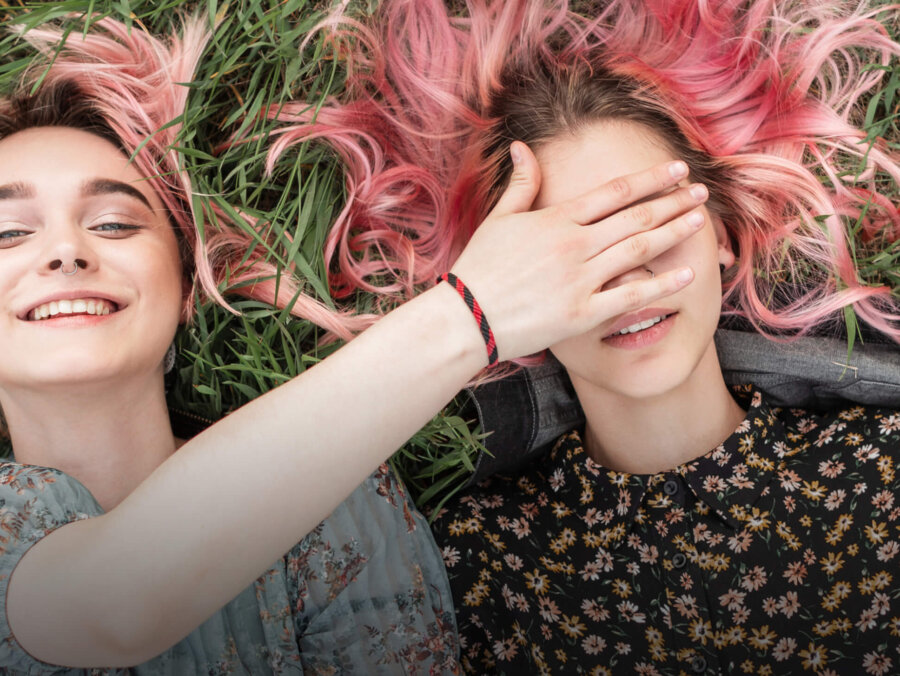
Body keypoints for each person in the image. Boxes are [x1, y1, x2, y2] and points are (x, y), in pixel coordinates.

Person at [0, 10, 703, 675]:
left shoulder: (346, 504)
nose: (64, 250)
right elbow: (106, 608)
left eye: (116, 224)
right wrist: (472, 312)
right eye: (7, 232)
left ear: (188, 288)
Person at [266, 0, 900, 672]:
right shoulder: (480, 564)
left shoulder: (884, 471)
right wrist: (468, 312)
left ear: (722, 234)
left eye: (647, 224)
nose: (625, 279)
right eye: (570, 255)